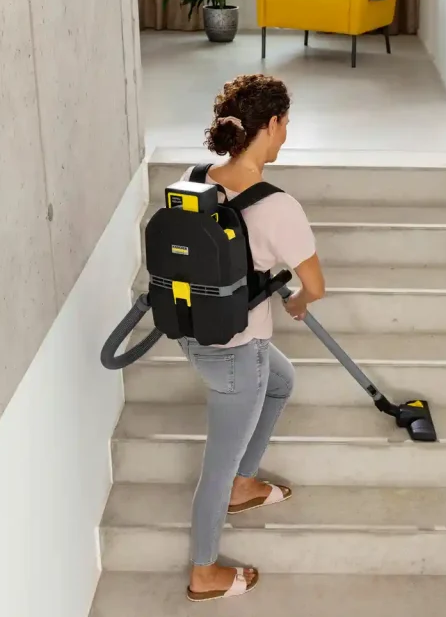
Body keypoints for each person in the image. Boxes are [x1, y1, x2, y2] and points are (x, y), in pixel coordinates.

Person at [179, 74, 325, 602]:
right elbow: (315, 286)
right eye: (285, 124)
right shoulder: (278, 207)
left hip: (193, 335)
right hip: (238, 352)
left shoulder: (193, 178)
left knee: (283, 381)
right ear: (270, 125)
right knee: (215, 466)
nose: (286, 134)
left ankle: (245, 485)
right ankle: (204, 571)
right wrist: (299, 303)